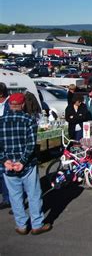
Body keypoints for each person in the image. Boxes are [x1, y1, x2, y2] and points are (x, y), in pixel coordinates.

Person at [0, 93, 52, 235]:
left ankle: (21, 225)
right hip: (27, 164)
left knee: (15, 196)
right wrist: (22, 162)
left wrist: (5, 160)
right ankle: (36, 224)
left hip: (8, 165)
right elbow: (30, 145)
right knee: (34, 194)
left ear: (9, 104)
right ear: (22, 105)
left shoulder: (1, 120)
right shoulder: (28, 120)